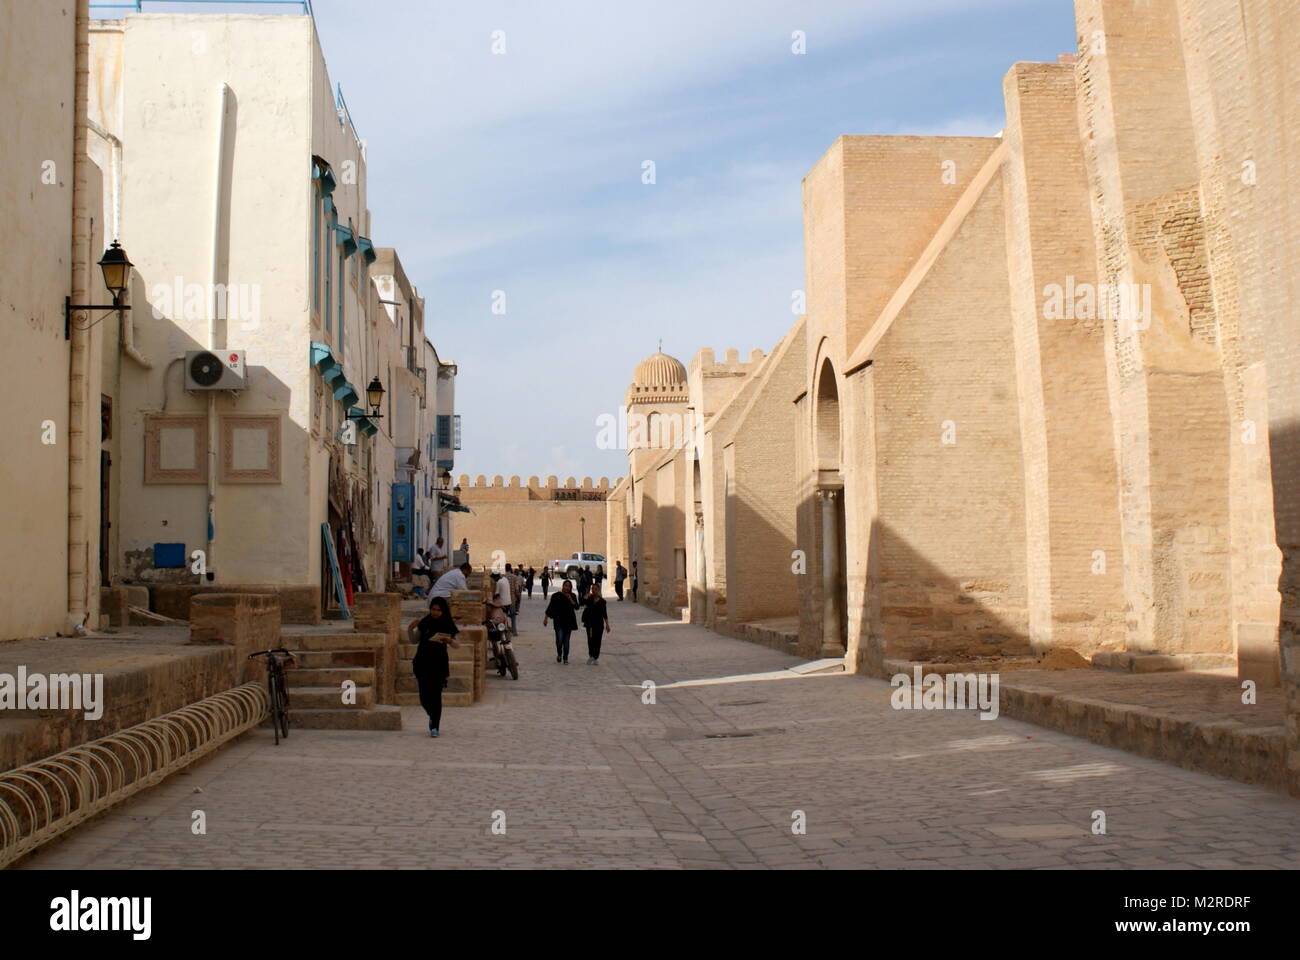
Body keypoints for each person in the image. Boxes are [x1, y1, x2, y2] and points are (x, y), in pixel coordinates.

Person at [407, 596, 460, 738]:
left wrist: (449, 640)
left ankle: (435, 725)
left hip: (439, 663)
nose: (435, 612)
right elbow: (414, 640)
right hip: (423, 662)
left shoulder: (447, 623)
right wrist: (410, 629)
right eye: (433, 609)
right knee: (424, 696)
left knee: (436, 696)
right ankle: (432, 715)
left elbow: (457, 644)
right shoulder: (425, 622)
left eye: (438, 610)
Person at [543, 579, 579, 664]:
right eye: (566, 585)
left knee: (566, 641)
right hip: (558, 621)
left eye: (569, 586)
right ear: (563, 586)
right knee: (559, 640)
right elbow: (550, 607)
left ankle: (565, 657)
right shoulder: (556, 596)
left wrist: (570, 599)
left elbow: (577, 607)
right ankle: (559, 653)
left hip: (569, 622)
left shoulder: (573, 595)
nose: (567, 588)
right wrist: (546, 618)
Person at [581, 583, 611, 665]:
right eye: (592, 589)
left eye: (595, 589)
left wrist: (607, 625)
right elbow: (581, 603)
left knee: (597, 641)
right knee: (590, 640)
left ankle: (595, 657)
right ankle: (591, 656)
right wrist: (585, 597)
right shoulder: (589, 599)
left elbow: (604, 614)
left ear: (598, 590)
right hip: (589, 624)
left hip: (599, 625)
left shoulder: (602, 602)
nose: (594, 590)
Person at [504, 564, 523, 636]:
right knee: (513, 616)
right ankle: (514, 631)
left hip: (504, 599)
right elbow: (516, 589)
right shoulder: (514, 577)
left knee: (504, 616)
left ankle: (505, 630)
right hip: (512, 599)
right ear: (510, 568)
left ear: (505, 569)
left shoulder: (502, 577)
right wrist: (518, 598)